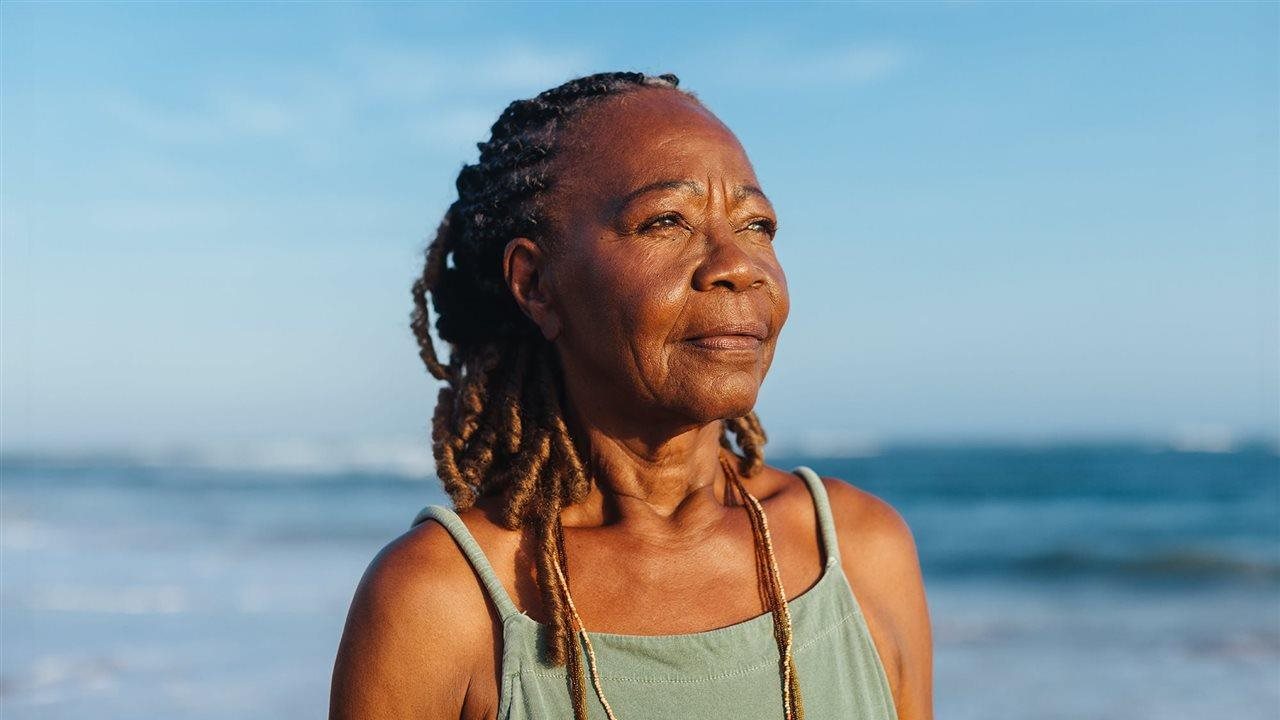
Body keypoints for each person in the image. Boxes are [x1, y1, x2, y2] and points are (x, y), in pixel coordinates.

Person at [330, 71, 932, 720]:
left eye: (757, 225)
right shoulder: (444, 602)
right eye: (666, 220)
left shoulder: (860, 550)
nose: (738, 264)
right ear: (536, 284)